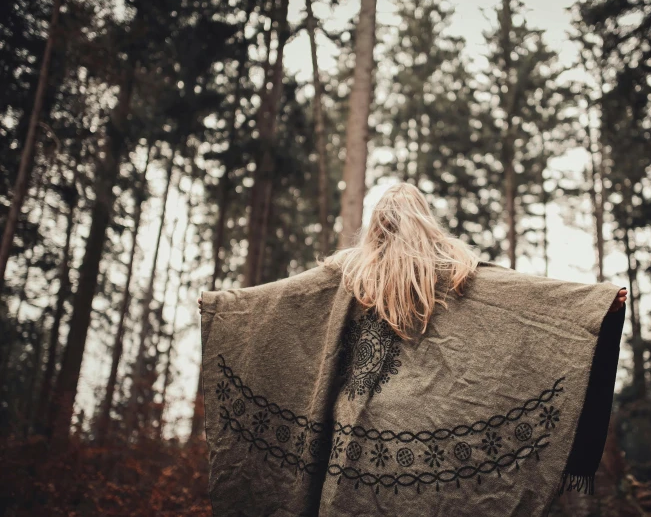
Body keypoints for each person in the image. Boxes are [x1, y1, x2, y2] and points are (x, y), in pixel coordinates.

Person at [197, 182, 627, 517]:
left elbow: (281, 298)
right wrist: (595, 305)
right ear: (425, 221)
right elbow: (522, 296)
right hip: (428, 422)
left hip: (348, 428)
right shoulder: (460, 272)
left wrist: (222, 306)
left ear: (375, 225)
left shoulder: (346, 272)